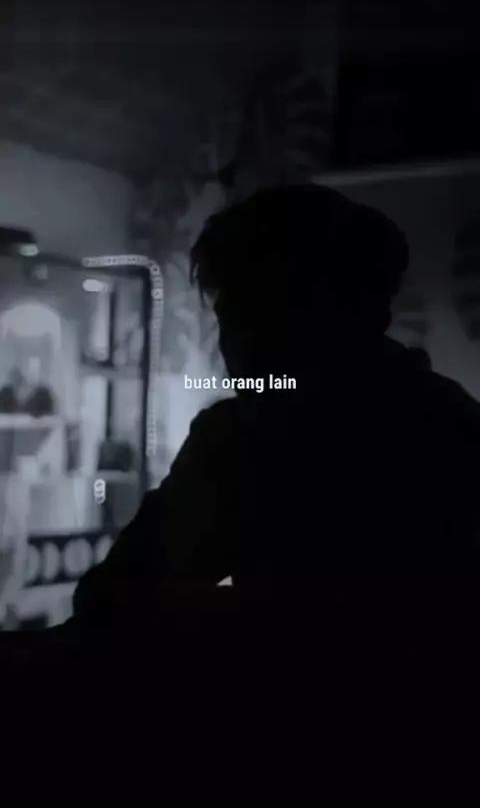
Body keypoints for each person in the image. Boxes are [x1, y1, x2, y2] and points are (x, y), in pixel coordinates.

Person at [72, 183, 480, 647]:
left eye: (264, 312)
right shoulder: (451, 419)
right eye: (231, 317)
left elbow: (114, 598)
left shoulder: (243, 438)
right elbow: (114, 595)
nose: (236, 346)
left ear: (350, 311)